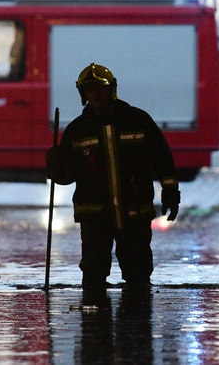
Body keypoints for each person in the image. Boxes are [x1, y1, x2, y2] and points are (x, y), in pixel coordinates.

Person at [46, 63, 180, 292]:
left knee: (138, 274)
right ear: (83, 94)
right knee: (93, 274)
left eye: (101, 88)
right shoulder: (77, 130)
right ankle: (95, 323)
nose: (96, 94)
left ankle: (137, 324)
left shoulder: (137, 120)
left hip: (134, 212)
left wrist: (170, 193)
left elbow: (162, 158)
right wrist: (55, 164)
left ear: (112, 90)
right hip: (95, 215)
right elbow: (66, 177)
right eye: (90, 90)